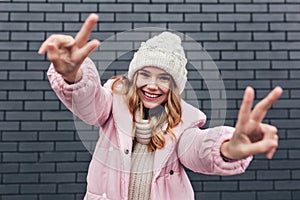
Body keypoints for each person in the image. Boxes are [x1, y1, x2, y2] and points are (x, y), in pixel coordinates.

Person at [38, 13, 283, 200]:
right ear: (135, 76)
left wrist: (228, 148)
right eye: (145, 74)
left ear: (174, 87)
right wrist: (74, 75)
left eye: (164, 78)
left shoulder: (184, 121)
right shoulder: (112, 102)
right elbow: (88, 102)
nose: (152, 85)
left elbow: (197, 148)